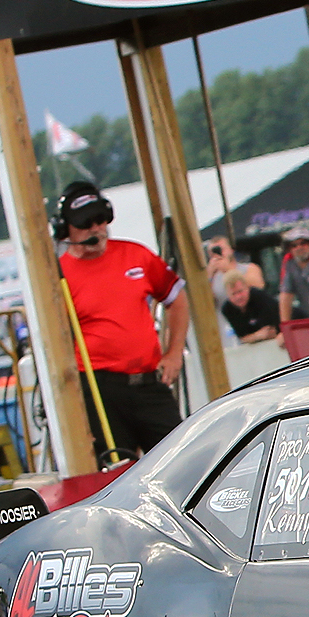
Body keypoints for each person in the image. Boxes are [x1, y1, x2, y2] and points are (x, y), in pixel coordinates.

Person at [53, 181, 187, 460]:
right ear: (66, 230)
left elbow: (176, 298)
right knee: (117, 469)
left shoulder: (135, 255)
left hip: (149, 382)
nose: (96, 229)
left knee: (181, 460)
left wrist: (174, 353)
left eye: (101, 220)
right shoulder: (59, 276)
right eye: (86, 223)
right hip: (100, 389)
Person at [219, 273, 281, 344]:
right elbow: (242, 337)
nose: (238, 297)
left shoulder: (260, 298)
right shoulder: (227, 309)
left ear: (247, 288)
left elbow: (270, 332)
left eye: (240, 291)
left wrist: (252, 337)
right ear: (228, 295)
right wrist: (257, 336)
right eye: (233, 294)